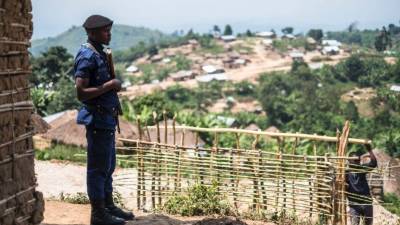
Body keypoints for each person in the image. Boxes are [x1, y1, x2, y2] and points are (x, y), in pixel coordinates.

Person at [74, 14, 134, 225]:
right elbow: (81, 92)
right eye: (105, 31)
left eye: (109, 30)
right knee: (98, 169)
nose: (109, 34)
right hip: (97, 119)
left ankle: (108, 206)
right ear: (92, 33)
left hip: (107, 118)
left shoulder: (100, 52)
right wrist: (110, 85)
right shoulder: (87, 56)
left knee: (108, 166)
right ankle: (98, 215)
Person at [346, 143, 377, 225]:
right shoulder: (345, 173)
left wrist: (370, 150)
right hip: (354, 204)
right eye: (355, 161)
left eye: (358, 161)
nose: (358, 162)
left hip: (366, 202)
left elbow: (373, 164)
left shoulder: (361, 169)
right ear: (349, 161)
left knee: (368, 223)